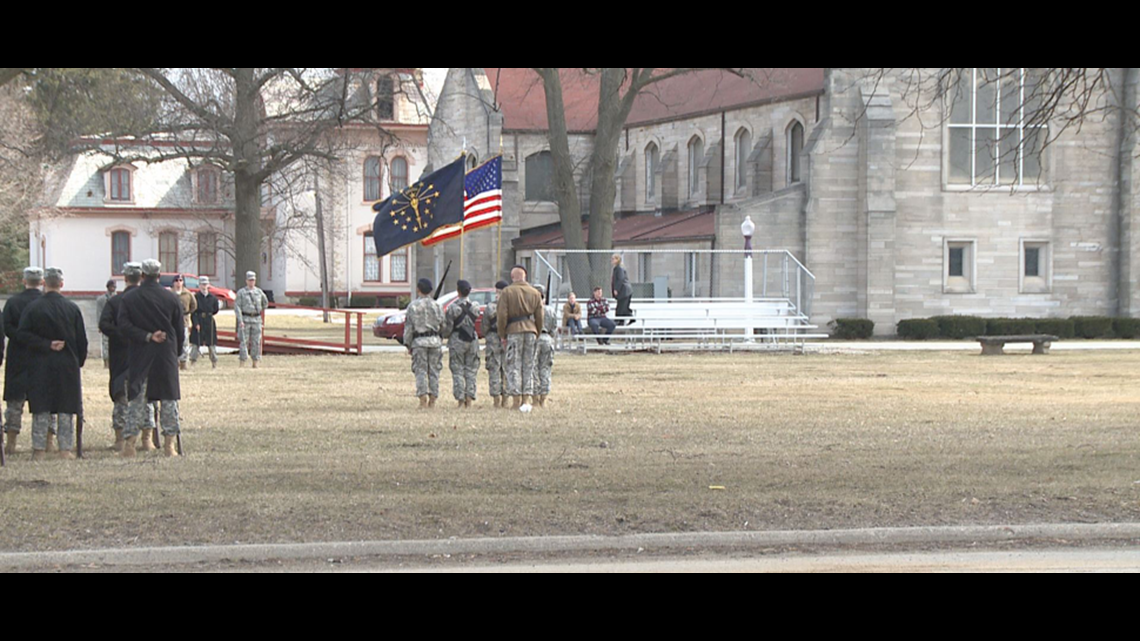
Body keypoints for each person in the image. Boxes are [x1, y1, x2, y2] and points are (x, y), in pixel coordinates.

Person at [15, 268, 87, 461]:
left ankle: (38, 449)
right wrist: (77, 362)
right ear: (61, 284)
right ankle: (65, 449)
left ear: (44, 283)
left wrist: (45, 344)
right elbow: (82, 341)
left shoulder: (33, 308)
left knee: (41, 406)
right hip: (67, 364)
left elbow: (21, 335)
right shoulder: (72, 308)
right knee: (66, 407)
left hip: (40, 363)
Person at [117, 259, 184, 458]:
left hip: (141, 354)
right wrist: (176, 351)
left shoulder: (129, 299)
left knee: (137, 399)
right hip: (166, 353)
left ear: (143, 275)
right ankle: (169, 446)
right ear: (159, 274)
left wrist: (145, 336)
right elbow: (179, 330)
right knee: (169, 399)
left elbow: (123, 325)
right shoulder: (171, 298)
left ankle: (130, 445)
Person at [100, 262, 156, 451]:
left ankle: (120, 439)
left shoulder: (115, 302)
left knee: (121, 395)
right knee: (145, 396)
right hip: (145, 354)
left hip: (121, 355)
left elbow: (104, 325)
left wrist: (121, 334)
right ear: (141, 277)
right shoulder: (149, 300)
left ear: (124, 278)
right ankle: (147, 439)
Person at [3, 267, 57, 456]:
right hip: (43, 356)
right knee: (45, 400)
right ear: (42, 282)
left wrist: (21, 338)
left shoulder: (13, 303)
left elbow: (7, 328)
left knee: (15, 401)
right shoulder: (48, 303)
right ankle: (48, 441)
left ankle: (11, 442)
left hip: (18, 355)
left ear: (24, 281)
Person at [496, 266, 543, 410]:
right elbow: (540, 316)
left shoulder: (507, 292)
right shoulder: (535, 293)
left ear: (512, 277)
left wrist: (502, 334)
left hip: (514, 330)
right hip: (531, 330)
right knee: (529, 366)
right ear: (525, 276)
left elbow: (502, 315)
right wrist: (537, 331)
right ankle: (527, 399)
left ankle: (516, 400)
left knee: (514, 365)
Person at [404, 278, 445, 409]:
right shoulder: (437, 305)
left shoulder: (413, 306)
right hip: (435, 341)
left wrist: (408, 344)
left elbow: (409, 328)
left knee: (420, 371)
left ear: (418, 289)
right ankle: (433, 399)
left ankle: (422, 399)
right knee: (434, 371)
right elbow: (443, 325)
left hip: (419, 342)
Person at [443, 279, 480, 408]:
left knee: (457, 370)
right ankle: (469, 398)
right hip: (472, 340)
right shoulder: (475, 307)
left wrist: (444, 335)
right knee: (471, 371)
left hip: (457, 339)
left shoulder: (453, 308)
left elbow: (448, 327)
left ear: (458, 292)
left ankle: (460, 399)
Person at [235, 271, 269, 368]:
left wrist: (259, 311)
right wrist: (240, 320)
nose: (251, 282)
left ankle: (255, 362)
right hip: (245, 319)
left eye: (253, 280)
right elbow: (237, 307)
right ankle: (242, 361)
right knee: (243, 341)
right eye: (250, 280)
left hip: (256, 319)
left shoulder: (259, 292)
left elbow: (265, 303)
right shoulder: (241, 292)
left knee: (256, 341)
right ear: (246, 281)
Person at [483, 280, 508, 408]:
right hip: (508, 340)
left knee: (494, 370)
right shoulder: (511, 306)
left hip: (493, 339)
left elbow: (484, 328)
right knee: (507, 370)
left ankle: (496, 399)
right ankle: (506, 399)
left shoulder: (490, 307)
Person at [532, 284, 556, 408]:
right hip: (547, 338)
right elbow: (554, 328)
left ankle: (535, 398)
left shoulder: (531, 309)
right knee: (545, 369)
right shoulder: (550, 310)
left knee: (533, 369)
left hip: (534, 338)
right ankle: (544, 398)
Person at [190, 276, 220, 368]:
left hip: (209, 321)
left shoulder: (213, 298)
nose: (204, 286)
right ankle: (193, 361)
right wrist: (196, 323)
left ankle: (214, 362)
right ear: (199, 285)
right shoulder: (195, 297)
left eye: (206, 284)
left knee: (211, 343)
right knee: (195, 343)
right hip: (198, 319)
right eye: (202, 284)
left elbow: (215, 309)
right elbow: (193, 312)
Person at [172, 275, 197, 371]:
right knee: (173, 342)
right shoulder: (170, 293)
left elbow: (194, 306)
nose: (178, 283)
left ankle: (183, 362)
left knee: (185, 342)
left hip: (184, 322)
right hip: (172, 322)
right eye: (176, 280)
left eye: (180, 280)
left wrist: (187, 313)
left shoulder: (188, 294)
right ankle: (175, 362)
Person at [96, 279, 117, 369]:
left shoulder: (117, 298)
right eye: (112, 286)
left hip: (115, 324)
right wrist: (99, 324)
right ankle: (106, 362)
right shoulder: (101, 299)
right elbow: (99, 312)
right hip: (106, 323)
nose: (114, 288)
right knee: (105, 343)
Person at [612, 254, 634, 325]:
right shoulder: (617, 268)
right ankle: (623, 320)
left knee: (621, 308)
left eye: (613, 259)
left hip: (624, 291)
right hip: (625, 291)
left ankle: (620, 320)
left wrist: (616, 289)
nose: (612, 261)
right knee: (623, 307)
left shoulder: (619, 268)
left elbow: (620, 279)